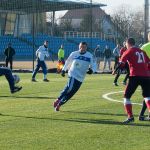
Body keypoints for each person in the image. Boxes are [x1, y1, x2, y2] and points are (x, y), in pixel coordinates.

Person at [112, 38, 150, 124]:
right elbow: (149, 63)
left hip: (135, 76)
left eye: (125, 43)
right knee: (147, 96)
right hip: (146, 76)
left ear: (127, 43)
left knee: (126, 96)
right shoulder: (142, 52)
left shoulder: (128, 51)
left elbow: (121, 64)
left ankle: (130, 117)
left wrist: (115, 71)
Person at [53, 42, 94, 111]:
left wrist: (92, 70)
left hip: (81, 77)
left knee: (71, 93)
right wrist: (63, 70)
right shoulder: (74, 53)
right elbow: (68, 62)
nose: (82, 48)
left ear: (86, 48)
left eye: (84, 47)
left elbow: (93, 65)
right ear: (79, 46)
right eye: (81, 47)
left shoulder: (89, 56)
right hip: (73, 74)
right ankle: (58, 99)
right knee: (70, 88)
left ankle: (59, 104)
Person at [139, 32, 150, 121]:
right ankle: (142, 115)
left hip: (145, 74)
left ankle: (142, 115)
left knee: (147, 95)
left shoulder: (143, 47)